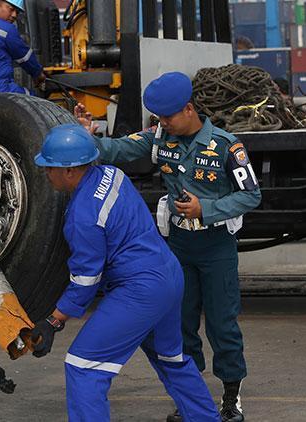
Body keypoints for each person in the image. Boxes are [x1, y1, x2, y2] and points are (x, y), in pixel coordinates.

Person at [75, 72, 261, 422]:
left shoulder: (226, 145)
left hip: (216, 246)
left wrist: (206, 209)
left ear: (188, 109)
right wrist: (88, 139)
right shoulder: (160, 138)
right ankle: (191, 398)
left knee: (222, 325)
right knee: (181, 325)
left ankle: (231, 397)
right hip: (177, 248)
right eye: (159, 119)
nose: (161, 124)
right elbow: (118, 149)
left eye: (167, 118)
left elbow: (251, 195)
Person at [29, 124, 219, 422]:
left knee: (83, 366)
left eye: (49, 168)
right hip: (168, 276)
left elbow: (86, 280)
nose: (45, 173)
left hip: (139, 290)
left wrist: (54, 321)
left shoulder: (83, 217)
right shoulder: (112, 174)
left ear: (69, 171)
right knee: (172, 360)